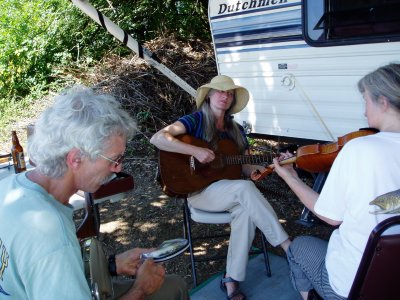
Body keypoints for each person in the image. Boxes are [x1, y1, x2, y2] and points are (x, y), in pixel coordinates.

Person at [0, 86, 189, 300]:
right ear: (75, 159)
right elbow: (50, 258)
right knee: (174, 289)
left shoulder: (8, 187)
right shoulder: (51, 235)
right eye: (114, 159)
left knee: (173, 286)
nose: (118, 168)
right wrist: (140, 290)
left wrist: (111, 265)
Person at [150, 75, 291, 300]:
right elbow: (157, 138)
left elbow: (244, 166)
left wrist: (257, 169)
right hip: (199, 192)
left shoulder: (236, 130)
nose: (225, 96)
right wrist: (195, 151)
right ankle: (288, 248)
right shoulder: (194, 120)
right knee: (244, 190)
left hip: (230, 192)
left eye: (230, 93)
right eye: (220, 91)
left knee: (245, 208)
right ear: (209, 96)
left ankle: (231, 279)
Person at [272, 63, 400, 299]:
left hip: (355, 287)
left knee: (298, 247)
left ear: (382, 101)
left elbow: (331, 216)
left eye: (366, 100)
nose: (364, 112)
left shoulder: (360, 148)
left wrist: (289, 177)